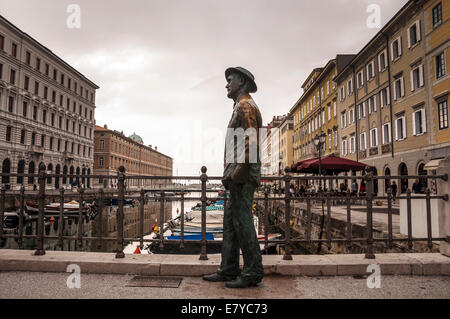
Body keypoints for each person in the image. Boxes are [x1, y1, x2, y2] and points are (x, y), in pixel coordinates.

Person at [203, 67, 263, 288]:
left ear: (242, 82)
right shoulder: (240, 105)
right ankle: (228, 269)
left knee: (242, 221)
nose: (226, 84)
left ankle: (252, 272)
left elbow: (252, 142)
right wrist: (229, 173)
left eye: (230, 80)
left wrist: (238, 173)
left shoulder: (246, 105)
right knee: (230, 223)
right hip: (236, 174)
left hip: (242, 175)